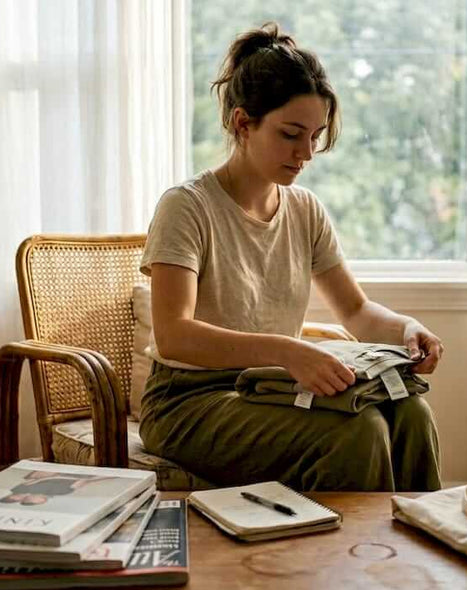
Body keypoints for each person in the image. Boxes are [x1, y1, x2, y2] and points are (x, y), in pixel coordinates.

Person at [139, 23, 443, 492]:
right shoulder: (187, 206)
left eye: (315, 136)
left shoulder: (304, 210)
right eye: (290, 135)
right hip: (187, 402)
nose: (306, 153)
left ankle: (410, 558)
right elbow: (175, 335)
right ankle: (349, 563)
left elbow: (356, 311)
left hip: (269, 389)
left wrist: (406, 329)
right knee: (357, 432)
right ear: (243, 123)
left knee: (411, 413)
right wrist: (287, 350)